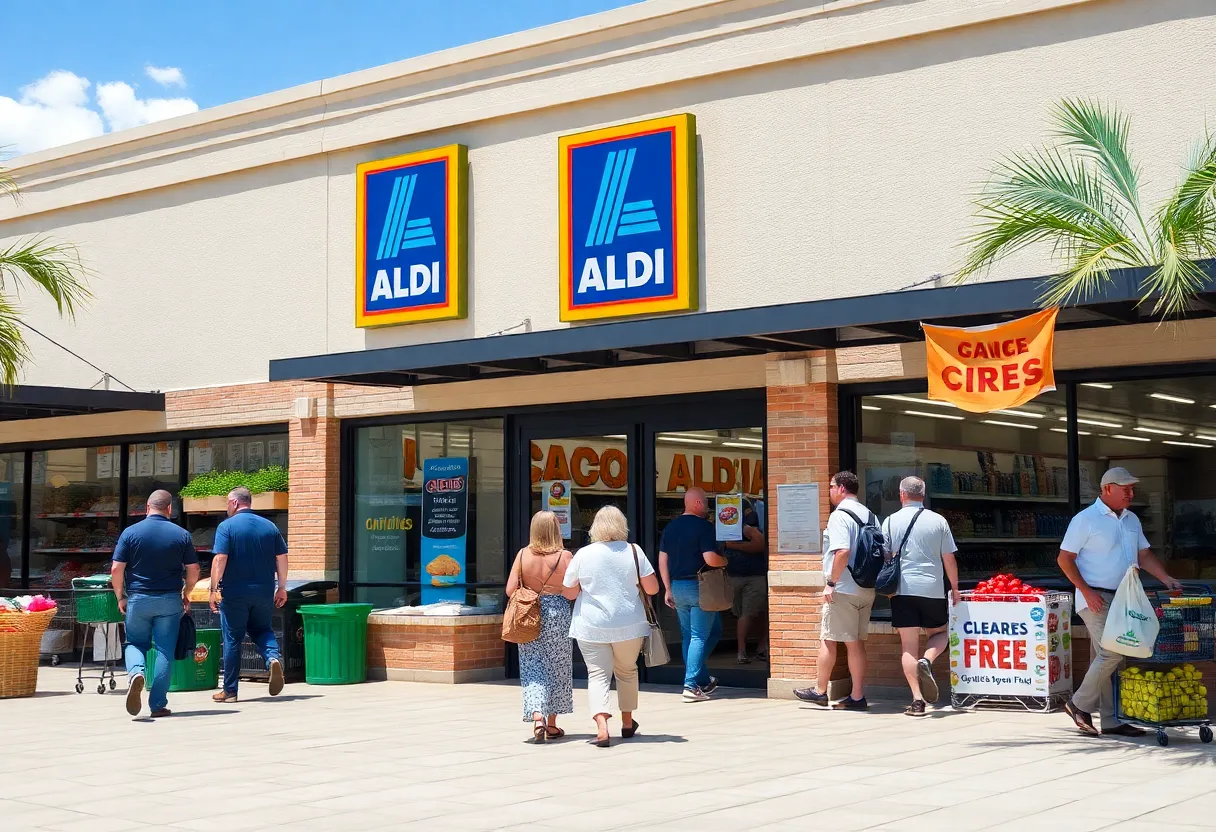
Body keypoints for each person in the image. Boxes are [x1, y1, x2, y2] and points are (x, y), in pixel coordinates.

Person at [1060, 467, 1182, 737]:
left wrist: (1165, 578)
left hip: (1125, 597)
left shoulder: (1131, 520)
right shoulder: (1085, 519)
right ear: (1107, 489)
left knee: (1107, 657)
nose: (1131, 493)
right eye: (1125, 488)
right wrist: (1087, 591)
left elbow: (1144, 554)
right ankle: (1078, 704)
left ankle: (1112, 720)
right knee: (1113, 652)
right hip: (1095, 597)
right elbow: (1064, 559)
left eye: (1132, 488)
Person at [564, 505, 660, 747]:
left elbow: (569, 592)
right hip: (629, 624)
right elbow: (652, 589)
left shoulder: (583, 554)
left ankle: (601, 727)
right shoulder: (634, 551)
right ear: (622, 526)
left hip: (591, 624)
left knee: (597, 675)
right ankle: (627, 723)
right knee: (627, 672)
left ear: (595, 527)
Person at [111, 490, 199, 718]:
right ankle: (158, 704)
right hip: (169, 600)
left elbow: (116, 569)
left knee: (135, 644)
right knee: (164, 650)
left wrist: (120, 595)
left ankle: (136, 674)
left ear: (147, 507)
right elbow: (193, 570)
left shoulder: (130, 533)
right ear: (169, 509)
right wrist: (186, 593)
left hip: (139, 599)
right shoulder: (182, 534)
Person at [795, 471, 873, 710]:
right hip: (865, 587)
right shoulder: (869, 514)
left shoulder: (840, 516)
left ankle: (820, 691)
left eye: (830, 486)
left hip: (844, 588)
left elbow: (842, 551)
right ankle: (857, 695)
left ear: (841, 488)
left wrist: (831, 583)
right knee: (856, 643)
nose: (828, 491)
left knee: (828, 639)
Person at [882, 476, 960, 718]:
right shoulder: (938, 521)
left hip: (902, 591)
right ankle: (927, 659)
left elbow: (885, 557)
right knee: (940, 632)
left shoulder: (890, 521)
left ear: (901, 494)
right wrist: (955, 588)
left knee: (908, 646)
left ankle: (917, 701)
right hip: (932, 589)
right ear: (923, 495)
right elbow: (949, 558)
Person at [209, 487, 289, 703]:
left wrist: (213, 589)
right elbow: (281, 558)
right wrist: (281, 587)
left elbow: (220, 559)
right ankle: (272, 657)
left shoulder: (226, 527)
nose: (226, 506)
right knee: (262, 629)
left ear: (235, 503)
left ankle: (230, 691)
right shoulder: (270, 527)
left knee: (233, 639)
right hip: (263, 591)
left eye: (227, 502)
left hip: (235, 593)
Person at [506, 511, 577, 743]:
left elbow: (509, 590)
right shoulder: (565, 556)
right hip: (558, 613)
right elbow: (571, 592)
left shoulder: (523, 555)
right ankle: (553, 724)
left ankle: (538, 717)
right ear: (555, 530)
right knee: (558, 666)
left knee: (532, 667)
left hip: (529, 613)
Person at [659, 487, 728, 702]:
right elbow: (710, 558)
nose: (707, 505)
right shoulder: (703, 527)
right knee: (700, 635)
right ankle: (690, 685)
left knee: (700, 633)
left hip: (678, 587)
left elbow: (663, 560)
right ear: (697, 503)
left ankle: (703, 679)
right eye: (705, 501)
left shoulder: (670, 527)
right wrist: (725, 561)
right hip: (700, 587)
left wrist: (667, 589)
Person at [724, 499, 769, 663]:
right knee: (746, 614)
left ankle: (750, 649)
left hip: (743, 575)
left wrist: (732, 546)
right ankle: (747, 650)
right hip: (743, 575)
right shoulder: (740, 526)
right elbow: (760, 544)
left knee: (750, 614)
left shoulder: (733, 526)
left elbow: (759, 544)